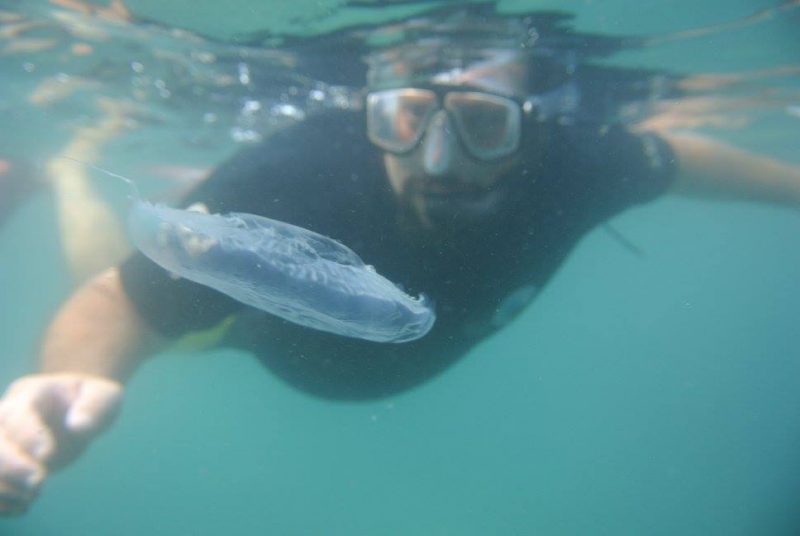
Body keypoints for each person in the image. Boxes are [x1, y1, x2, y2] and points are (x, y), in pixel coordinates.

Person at [0, 7, 798, 516]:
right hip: (255, 330)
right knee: (132, 285)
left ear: (537, 124)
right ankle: (74, 175)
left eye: (484, 124)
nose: (437, 160)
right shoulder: (292, 174)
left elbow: (684, 157)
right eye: (407, 118)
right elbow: (119, 306)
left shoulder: (579, 161)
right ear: (370, 111)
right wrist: (74, 378)